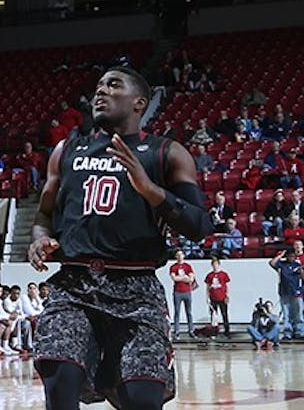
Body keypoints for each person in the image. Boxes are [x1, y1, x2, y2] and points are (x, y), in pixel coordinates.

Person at [29, 66, 211, 410]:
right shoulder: (67, 150)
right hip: (73, 285)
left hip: (136, 288)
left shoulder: (167, 153)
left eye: (113, 85)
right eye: (98, 86)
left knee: (141, 396)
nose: (101, 92)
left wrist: (150, 190)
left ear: (139, 102)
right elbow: (43, 215)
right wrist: (39, 238)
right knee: (59, 372)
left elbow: (200, 225)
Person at [269, 248, 304, 340]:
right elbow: (272, 263)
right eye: (289, 256)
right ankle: (288, 332)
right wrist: (280, 255)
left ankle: (299, 331)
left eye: (293, 256)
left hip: (297, 292)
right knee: (286, 314)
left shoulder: (298, 265)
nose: (291, 258)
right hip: (285, 292)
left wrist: (301, 271)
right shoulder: (282, 265)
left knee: (298, 313)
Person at [169, 250, 196, 340]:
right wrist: (184, 278)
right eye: (178, 255)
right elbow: (174, 278)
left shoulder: (188, 266)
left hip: (187, 291)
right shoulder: (173, 267)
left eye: (181, 254)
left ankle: (191, 330)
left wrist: (183, 278)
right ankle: (176, 332)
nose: (180, 256)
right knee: (177, 312)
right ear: (176, 257)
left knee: (189, 312)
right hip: (177, 292)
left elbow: (191, 279)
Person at [204, 257, 231, 339]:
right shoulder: (210, 275)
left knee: (224, 314)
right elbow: (207, 287)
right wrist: (207, 297)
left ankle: (227, 331)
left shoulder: (223, 274)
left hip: (222, 297)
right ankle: (214, 332)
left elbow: (227, 285)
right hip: (213, 298)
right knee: (214, 317)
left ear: (219, 265)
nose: (215, 266)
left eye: (216, 264)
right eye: (213, 264)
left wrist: (227, 295)